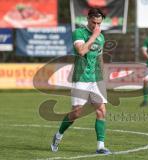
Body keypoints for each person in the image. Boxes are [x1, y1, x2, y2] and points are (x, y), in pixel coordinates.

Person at [51, 8, 111, 154]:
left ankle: (100, 146)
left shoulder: (101, 37)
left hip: (96, 78)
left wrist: (103, 75)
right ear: (88, 19)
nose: (96, 26)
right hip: (81, 77)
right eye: (93, 22)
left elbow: (99, 57)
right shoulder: (79, 33)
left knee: (101, 110)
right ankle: (58, 135)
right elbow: (81, 51)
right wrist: (93, 36)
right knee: (76, 113)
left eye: (99, 23)